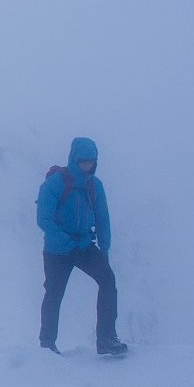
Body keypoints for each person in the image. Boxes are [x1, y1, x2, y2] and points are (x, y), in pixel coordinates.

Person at [36, 137, 128, 355]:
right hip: (58, 249)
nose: (88, 165)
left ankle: (106, 339)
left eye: (91, 161)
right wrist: (68, 243)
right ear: (74, 159)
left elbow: (102, 218)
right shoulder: (54, 183)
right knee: (54, 293)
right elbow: (44, 220)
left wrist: (103, 249)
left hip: (84, 244)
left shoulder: (95, 186)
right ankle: (47, 345)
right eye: (83, 161)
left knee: (108, 280)